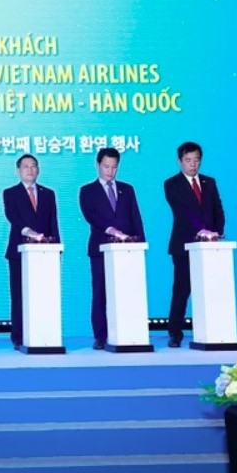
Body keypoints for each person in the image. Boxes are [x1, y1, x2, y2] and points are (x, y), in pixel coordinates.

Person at [79, 147, 145, 350]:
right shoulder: (87, 190)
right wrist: (112, 231)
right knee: (100, 292)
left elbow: (136, 217)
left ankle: (128, 331)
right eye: (106, 166)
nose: (110, 171)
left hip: (128, 252)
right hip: (101, 249)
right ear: (98, 165)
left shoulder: (128, 189)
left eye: (114, 167)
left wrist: (140, 242)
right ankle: (100, 335)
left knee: (128, 291)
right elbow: (91, 216)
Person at [163, 142, 225, 348]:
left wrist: (217, 232)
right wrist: (201, 231)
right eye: (188, 160)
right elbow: (182, 212)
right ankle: (175, 332)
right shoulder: (171, 184)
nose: (193, 164)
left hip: (210, 247)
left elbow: (218, 209)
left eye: (196, 160)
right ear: (180, 161)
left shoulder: (209, 182)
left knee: (210, 289)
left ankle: (211, 330)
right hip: (184, 245)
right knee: (181, 290)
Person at [3, 154, 60, 351]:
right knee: (19, 296)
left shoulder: (48, 193)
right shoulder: (10, 193)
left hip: (45, 254)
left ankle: (45, 333)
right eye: (25, 166)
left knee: (44, 295)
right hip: (20, 252)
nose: (30, 170)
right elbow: (13, 217)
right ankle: (18, 336)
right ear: (18, 170)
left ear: (38, 169)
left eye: (33, 166)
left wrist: (56, 248)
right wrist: (29, 232)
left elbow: (54, 223)